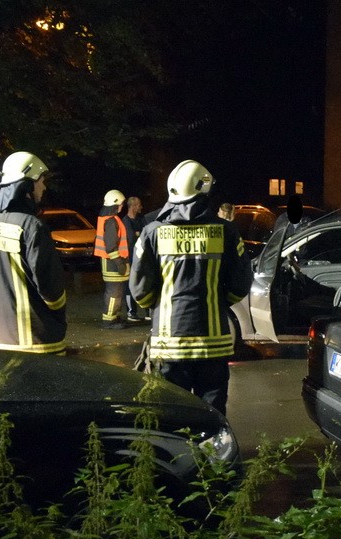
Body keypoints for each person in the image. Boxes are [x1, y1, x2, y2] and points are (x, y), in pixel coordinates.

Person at [129, 160, 253, 415]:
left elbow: (140, 289)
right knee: (213, 414)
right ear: (203, 191)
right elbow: (241, 283)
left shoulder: (152, 232)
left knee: (173, 415)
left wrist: (160, 305)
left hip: (169, 343)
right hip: (214, 343)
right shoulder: (226, 231)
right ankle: (211, 454)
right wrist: (218, 302)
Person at [0, 151, 67, 354]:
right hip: (40, 340)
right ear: (26, 186)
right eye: (40, 181)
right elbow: (49, 284)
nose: (43, 187)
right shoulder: (33, 227)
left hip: (4, 340)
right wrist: (57, 313)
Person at [94, 189, 130, 329]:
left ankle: (114, 317)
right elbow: (111, 246)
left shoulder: (109, 219)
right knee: (114, 293)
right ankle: (109, 321)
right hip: (112, 263)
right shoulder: (110, 221)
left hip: (111, 262)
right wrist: (119, 263)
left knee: (116, 292)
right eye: (120, 204)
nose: (122, 207)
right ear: (115, 205)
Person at [123, 196, 147, 322]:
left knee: (145, 281)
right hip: (130, 257)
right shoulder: (125, 221)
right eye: (139, 205)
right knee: (130, 284)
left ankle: (147, 312)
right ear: (133, 206)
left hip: (141, 256)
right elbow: (132, 238)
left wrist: (139, 234)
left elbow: (144, 234)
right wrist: (139, 234)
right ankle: (131, 312)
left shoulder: (141, 219)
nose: (141, 207)